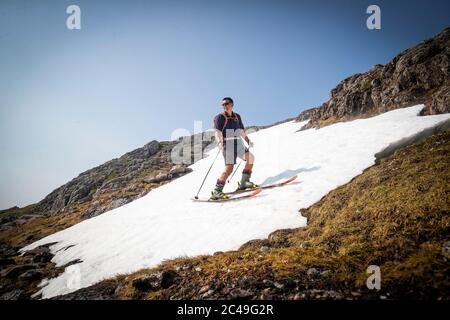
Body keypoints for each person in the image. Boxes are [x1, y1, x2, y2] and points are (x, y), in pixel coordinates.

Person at [210, 97, 257, 200]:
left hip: (238, 143)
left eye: (226, 104)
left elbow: (240, 130)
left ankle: (244, 183)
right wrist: (219, 143)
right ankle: (217, 192)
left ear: (232, 104)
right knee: (229, 168)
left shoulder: (237, 117)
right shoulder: (220, 117)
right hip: (228, 144)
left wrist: (248, 140)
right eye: (223, 104)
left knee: (251, 158)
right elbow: (217, 132)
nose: (224, 106)